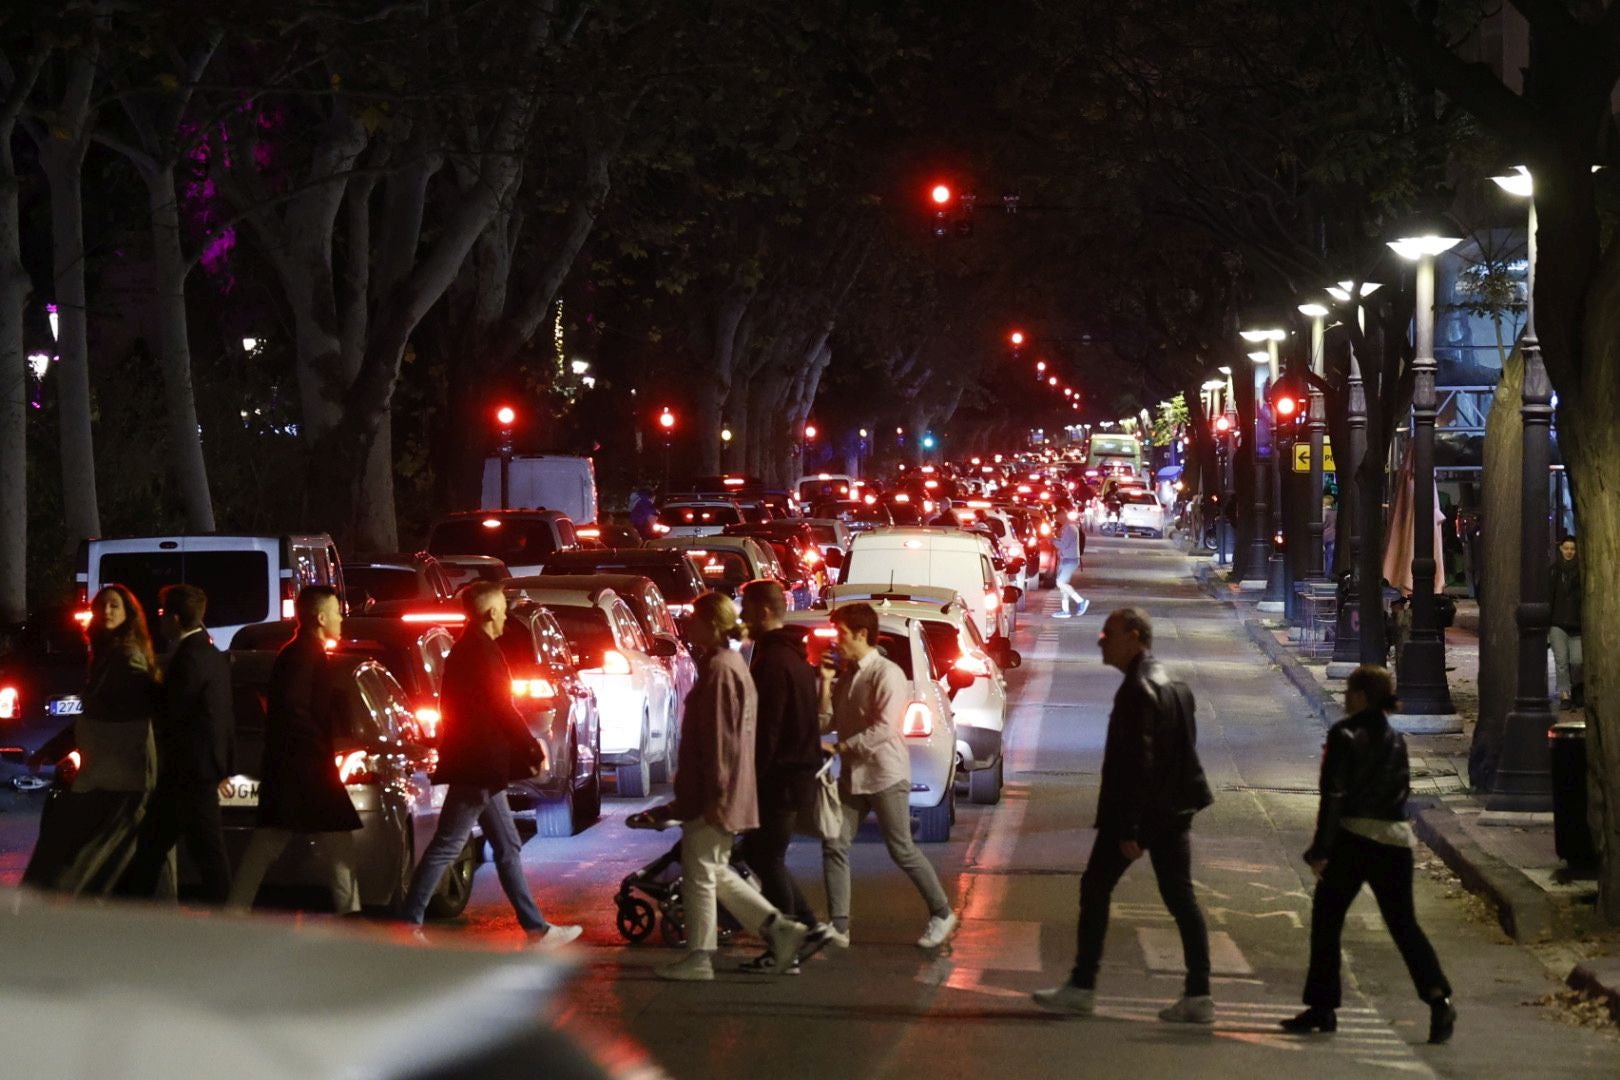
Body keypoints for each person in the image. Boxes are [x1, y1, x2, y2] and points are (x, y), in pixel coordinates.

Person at [1033, 607, 1215, 1023]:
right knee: (1180, 897)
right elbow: (1183, 755)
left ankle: (1083, 985)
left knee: (1096, 887)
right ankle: (1199, 993)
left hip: (1140, 812)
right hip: (1175, 809)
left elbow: (1139, 762)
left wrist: (1131, 825)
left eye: (1108, 633)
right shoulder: (1174, 683)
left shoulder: (1138, 689)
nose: (1101, 640)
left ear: (1134, 636)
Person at [399, 581, 581, 945]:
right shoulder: (479, 652)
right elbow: (502, 708)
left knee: (507, 845)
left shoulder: (472, 649)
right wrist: (531, 748)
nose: (506, 618)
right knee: (449, 844)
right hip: (478, 766)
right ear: (490, 613)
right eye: (502, 610)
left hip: (480, 766)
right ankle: (407, 923)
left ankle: (536, 928)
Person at [1282, 665, 1456, 1044]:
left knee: (1327, 917)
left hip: (1354, 838)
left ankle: (1323, 1006)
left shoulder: (1343, 735)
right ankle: (1438, 998)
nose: (1345, 698)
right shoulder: (1395, 738)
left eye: (1349, 692)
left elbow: (1334, 796)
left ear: (1360, 695)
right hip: (1395, 842)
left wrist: (1321, 849)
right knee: (1404, 925)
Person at [653, 591, 808, 981]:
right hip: (722, 789)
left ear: (710, 623)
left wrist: (716, 793)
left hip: (715, 792)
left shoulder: (722, 669)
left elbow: (722, 739)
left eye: (694, 618)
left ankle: (701, 956)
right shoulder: (730, 665)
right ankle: (778, 928)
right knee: (713, 870)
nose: (687, 625)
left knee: (701, 873)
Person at [820, 602, 957, 950]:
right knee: (835, 842)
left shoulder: (887, 674)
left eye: (842, 634)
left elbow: (883, 729)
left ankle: (942, 912)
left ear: (862, 634)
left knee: (901, 849)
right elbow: (827, 722)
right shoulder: (848, 675)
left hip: (885, 775)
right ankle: (839, 925)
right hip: (854, 778)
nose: (837, 642)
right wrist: (824, 684)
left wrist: (841, 748)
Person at [227, 586, 363, 915]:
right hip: (305, 768)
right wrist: (318, 750)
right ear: (319, 618)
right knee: (325, 840)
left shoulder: (301, 652)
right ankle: (350, 911)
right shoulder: (305, 655)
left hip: (298, 767)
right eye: (335, 611)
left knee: (282, 840)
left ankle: (236, 908)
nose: (341, 618)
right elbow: (295, 708)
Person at [23, 585, 160, 896]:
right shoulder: (106, 654)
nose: (107, 611)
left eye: (115, 606)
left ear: (128, 615)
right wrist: (52, 749)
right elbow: (92, 714)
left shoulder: (126, 656)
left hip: (122, 776)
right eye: (103, 606)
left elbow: (147, 698)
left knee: (80, 853)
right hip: (108, 773)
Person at [738, 579, 832, 973]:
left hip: (779, 778)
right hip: (794, 776)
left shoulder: (773, 662)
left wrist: (751, 781)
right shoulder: (793, 658)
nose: (742, 616)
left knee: (763, 855)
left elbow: (767, 730)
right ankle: (807, 928)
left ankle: (789, 943)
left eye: (746, 609)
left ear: (763, 611)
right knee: (763, 854)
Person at [122, 584, 235, 902]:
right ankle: (136, 906)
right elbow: (225, 716)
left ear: (173, 618)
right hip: (198, 769)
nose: (159, 621)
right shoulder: (212, 653)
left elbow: (172, 708)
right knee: (160, 843)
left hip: (189, 771)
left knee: (200, 851)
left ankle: (226, 917)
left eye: (161, 614)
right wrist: (225, 764)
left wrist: (145, 682)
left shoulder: (189, 658)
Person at [1549, 536, 1583, 710]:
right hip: (1558, 623)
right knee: (1561, 661)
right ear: (1561, 550)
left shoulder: (1582, 572)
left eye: (1573, 549)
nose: (1569, 552)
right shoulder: (1554, 571)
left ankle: (1577, 688)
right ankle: (1565, 694)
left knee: (1577, 661)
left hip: (1577, 625)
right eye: (1566, 548)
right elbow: (1550, 597)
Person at [1053, 513, 1089, 619]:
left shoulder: (1070, 528)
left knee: (1060, 582)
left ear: (1062, 516)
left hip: (1071, 560)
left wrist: (1051, 540)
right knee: (1064, 586)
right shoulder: (1068, 528)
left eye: (1057, 516)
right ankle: (1065, 610)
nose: (1056, 519)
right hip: (1067, 559)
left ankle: (1081, 601)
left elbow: (1063, 545)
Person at [1322, 494, 1339, 574]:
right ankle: (1328, 573)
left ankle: (1327, 572)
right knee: (1330, 556)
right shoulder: (1335, 512)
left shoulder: (1324, 512)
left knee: (1326, 556)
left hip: (1324, 536)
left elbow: (1324, 524)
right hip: (1333, 536)